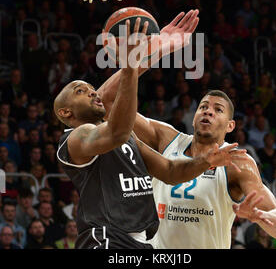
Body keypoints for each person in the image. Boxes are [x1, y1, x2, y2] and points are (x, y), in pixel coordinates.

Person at [55, 17, 246, 249]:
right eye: (80, 91)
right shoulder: (76, 137)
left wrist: (204, 162)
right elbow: (116, 128)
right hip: (106, 239)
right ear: (65, 112)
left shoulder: (127, 138)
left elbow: (170, 170)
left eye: (92, 89)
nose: (93, 93)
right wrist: (135, 61)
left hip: (141, 243)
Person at [102, 83, 276, 248]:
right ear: (194, 118)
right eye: (203, 107)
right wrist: (135, 65)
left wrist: (260, 217)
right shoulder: (166, 140)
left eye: (218, 110)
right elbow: (105, 103)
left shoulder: (237, 162)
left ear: (230, 126)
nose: (208, 111)